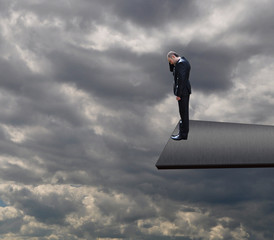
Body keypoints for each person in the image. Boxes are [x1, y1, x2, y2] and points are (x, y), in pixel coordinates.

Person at [167, 51, 191, 140]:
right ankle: (182, 134)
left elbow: (181, 80)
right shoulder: (182, 62)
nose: (170, 63)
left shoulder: (181, 64)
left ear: (173, 56)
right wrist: (170, 61)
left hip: (183, 92)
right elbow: (172, 70)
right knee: (183, 113)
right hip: (184, 91)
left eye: (170, 61)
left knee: (183, 114)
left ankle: (183, 135)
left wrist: (178, 94)